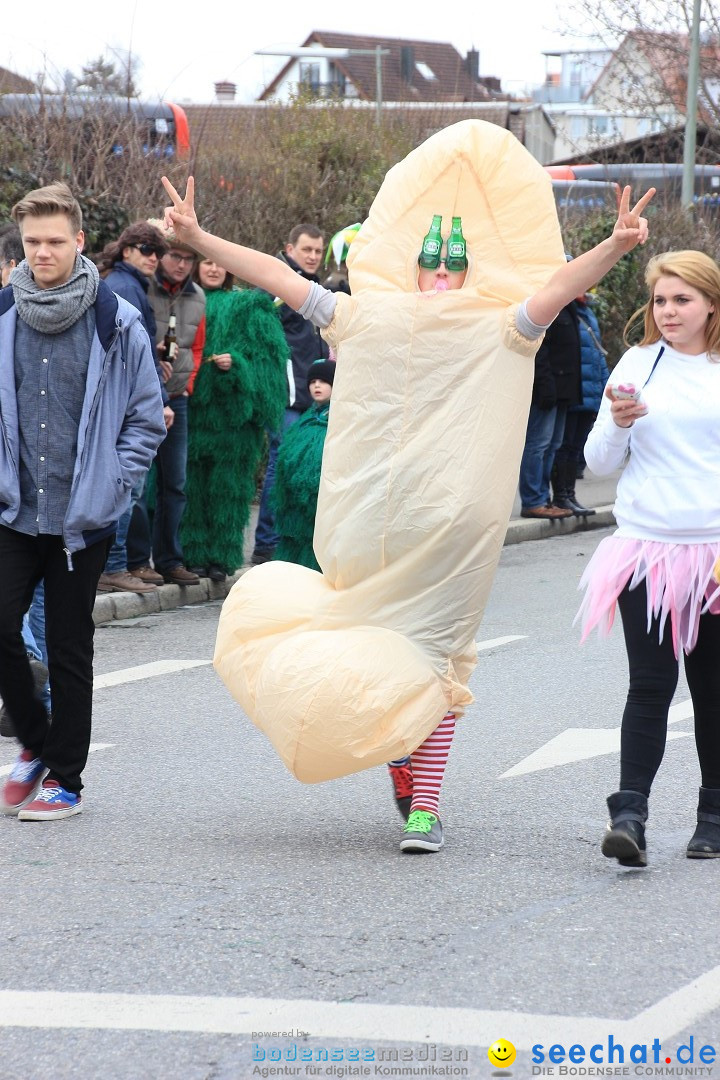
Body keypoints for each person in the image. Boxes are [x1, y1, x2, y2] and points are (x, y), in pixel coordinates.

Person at [163, 121, 653, 855]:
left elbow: (554, 288)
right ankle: (399, 748)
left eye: (457, 264)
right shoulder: (364, 317)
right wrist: (203, 240)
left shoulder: (502, 327)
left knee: (439, 655)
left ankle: (425, 806)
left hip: (456, 529)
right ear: (411, 263)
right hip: (371, 524)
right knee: (373, 648)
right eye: (433, 262)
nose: (444, 276)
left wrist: (614, 247)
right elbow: (277, 277)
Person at [0, 181, 165, 820]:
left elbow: (146, 418)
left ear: (79, 242)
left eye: (54, 242)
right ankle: (39, 744)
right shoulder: (4, 313)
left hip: (83, 516)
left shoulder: (113, 319)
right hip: (14, 509)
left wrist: (115, 488)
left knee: (69, 647)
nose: (43, 253)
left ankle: (64, 779)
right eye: (33, 242)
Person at [577, 250, 720, 867]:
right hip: (647, 552)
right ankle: (629, 816)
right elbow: (598, 464)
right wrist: (617, 422)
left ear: (711, 304)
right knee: (649, 685)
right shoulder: (639, 363)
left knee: (712, 689)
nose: (668, 312)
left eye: (682, 300)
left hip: (714, 553)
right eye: (661, 300)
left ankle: (713, 815)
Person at [181, 258, 288, 581]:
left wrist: (236, 364)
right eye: (207, 263)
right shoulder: (186, 301)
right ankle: (194, 554)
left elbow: (266, 364)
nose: (214, 269)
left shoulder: (245, 306)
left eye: (220, 264)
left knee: (229, 490)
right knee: (192, 488)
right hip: (196, 415)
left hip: (234, 422)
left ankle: (223, 558)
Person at [95, 221, 175, 593]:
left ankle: (115, 564)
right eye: (146, 249)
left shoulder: (123, 283)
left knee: (124, 486)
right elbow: (129, 358)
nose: (154, 257)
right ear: (126, 250)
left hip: (118, 401)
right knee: (127, 486)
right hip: (126, 405)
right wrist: (159, 400)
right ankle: (113, 566)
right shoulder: (125, 286)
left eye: (157, 251)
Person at [126, 222, 206, 587]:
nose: (181, 264)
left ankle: (170, 560)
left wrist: (186, 383)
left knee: (175, 484)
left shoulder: (199, 297)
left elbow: (197, 346)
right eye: (175, 255)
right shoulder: (144, 288)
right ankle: (137, 561)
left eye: (189, 259)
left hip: (178, 398)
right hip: (143, 400)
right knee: (138, 484)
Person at [250, 224, 329, 566]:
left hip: (313, 393)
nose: (313, 256)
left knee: (303, 468)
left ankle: (294, 541)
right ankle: (267, 543)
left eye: (317, 251)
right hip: (287, 396)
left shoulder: (314, 287)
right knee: (282, 466)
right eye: (307, 249)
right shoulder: (279, 285)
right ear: (289, 248)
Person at [518, 298, 581, 519]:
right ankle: (533, 500)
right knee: (538, 445)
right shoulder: (547, 303)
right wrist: (545, 387)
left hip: (563, 388)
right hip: (548, 388)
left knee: (552, 446)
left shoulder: (568, 305)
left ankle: (543, 499)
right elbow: (539, 349)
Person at [271, 358, 335, 571]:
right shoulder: (305, 420)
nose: (317, 385)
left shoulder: (338, 421)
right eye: (313, 381)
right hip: (297, 505)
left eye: (324, 381)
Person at [550, 292, 609, 515]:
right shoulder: (562, 310)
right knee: (564, 446)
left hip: (590, 389)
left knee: (576, 446)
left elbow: (597, 354)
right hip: (574, 388)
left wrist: (604, 387)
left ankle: (570, 495)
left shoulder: (587, 312)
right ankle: (561, 496)